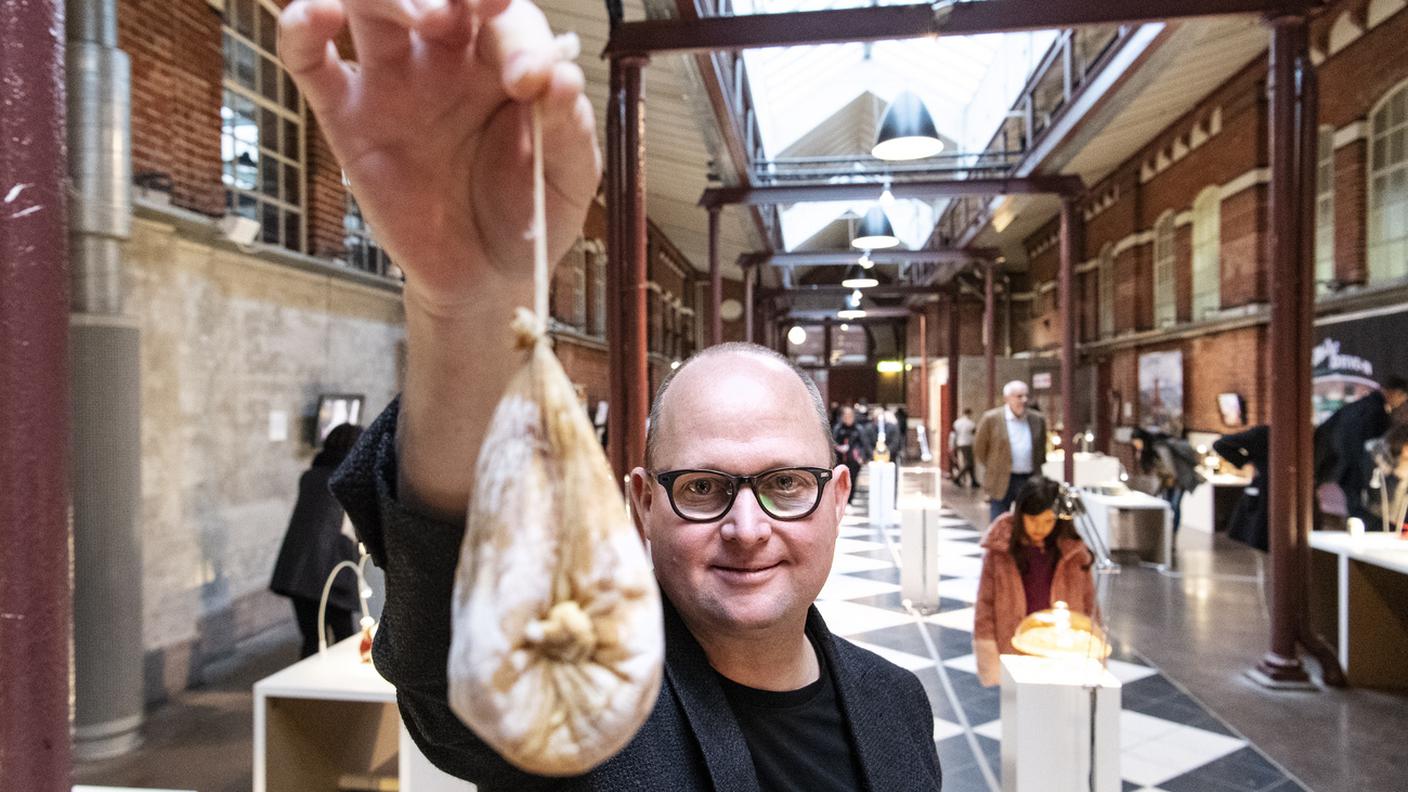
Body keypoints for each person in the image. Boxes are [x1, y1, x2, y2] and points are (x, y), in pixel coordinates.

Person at [288, 1, 942, 788]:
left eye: (783, 485)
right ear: (642, 501)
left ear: (838, 495)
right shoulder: (586, 717)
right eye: (701, 487)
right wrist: (464, 306)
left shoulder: (897, 705)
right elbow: (447, 659)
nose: (744, 526)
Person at [972, 476, 1096, 687]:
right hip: (1015, 648)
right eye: (1033, 520)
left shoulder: (1072, 552)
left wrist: (1092, 645)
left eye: (1048, 521)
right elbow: (985, 604)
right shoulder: (1000, 551)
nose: (1040, 528)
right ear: (1020, 515)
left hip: (1061, 649)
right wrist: (987, 650)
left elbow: (1089, 602)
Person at [270, 422, 364, 658]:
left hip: (297, 570)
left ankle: (309, 693)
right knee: (346, 639)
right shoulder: (348, 478)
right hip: (330, 571)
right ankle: (345, 691)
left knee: (313, 640)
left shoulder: (310, 476)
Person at [1313, 376, 1407, 523]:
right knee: (1365, 513)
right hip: (1357, 470)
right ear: (1394, 393)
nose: (1400, 403)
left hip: (1343, 467)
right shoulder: (1375, 412)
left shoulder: (1360, 406)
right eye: (1402, 397)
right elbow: (1369, 449)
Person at [974, 380, 1047, 522]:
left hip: (1028, 478)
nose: (1024, 400)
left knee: (1029, 521)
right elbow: (980, 449)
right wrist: (994, 466)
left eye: (1026, 396)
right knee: (999, 521)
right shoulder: (992, 419)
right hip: (1002, 479)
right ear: (1007, 398)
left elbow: (1041, 449)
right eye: (1019, 396)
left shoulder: (1037, 420)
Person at [1131, 427, 1204, 534]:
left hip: (1178, 479)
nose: (1135, 445)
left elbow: (1170, 467)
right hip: (1167, 481)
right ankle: (1167, 531)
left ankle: (1173, 532)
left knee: (1175, 505)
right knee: (1167, 505)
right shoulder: (1149, 451)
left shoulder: (1160, 447)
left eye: (1136, 442)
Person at [1213, 425, 1270, 551]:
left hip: (1264, 489)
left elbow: (1221, 444)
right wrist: (1247, 461)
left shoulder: (1263, 433)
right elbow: (1221, 444)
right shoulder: (1263, 433)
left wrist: (1248, 460)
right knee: (1260, 532)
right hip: (1264, 491)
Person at [833, 405, 871, 504]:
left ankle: (850, 500)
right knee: (840, 481)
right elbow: (833, 442)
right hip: (841, 459)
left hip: (854, 460)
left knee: (852, 479)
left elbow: (864, 444)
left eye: (850, 416)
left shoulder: (858, 429)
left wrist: (863, 457)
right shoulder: (838, 428)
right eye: (846, 416)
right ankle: (841, 500)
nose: (848, 418)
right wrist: (839, 447)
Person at [950, 408, 977, 489]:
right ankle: (957, 478)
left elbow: (954, 434)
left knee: (970, 463)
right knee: (969, 463)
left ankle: (973, 481)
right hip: (967, 444)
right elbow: (974, 433)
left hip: (959, 443)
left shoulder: (957, 422)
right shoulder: (971, 423)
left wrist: (953, 445)